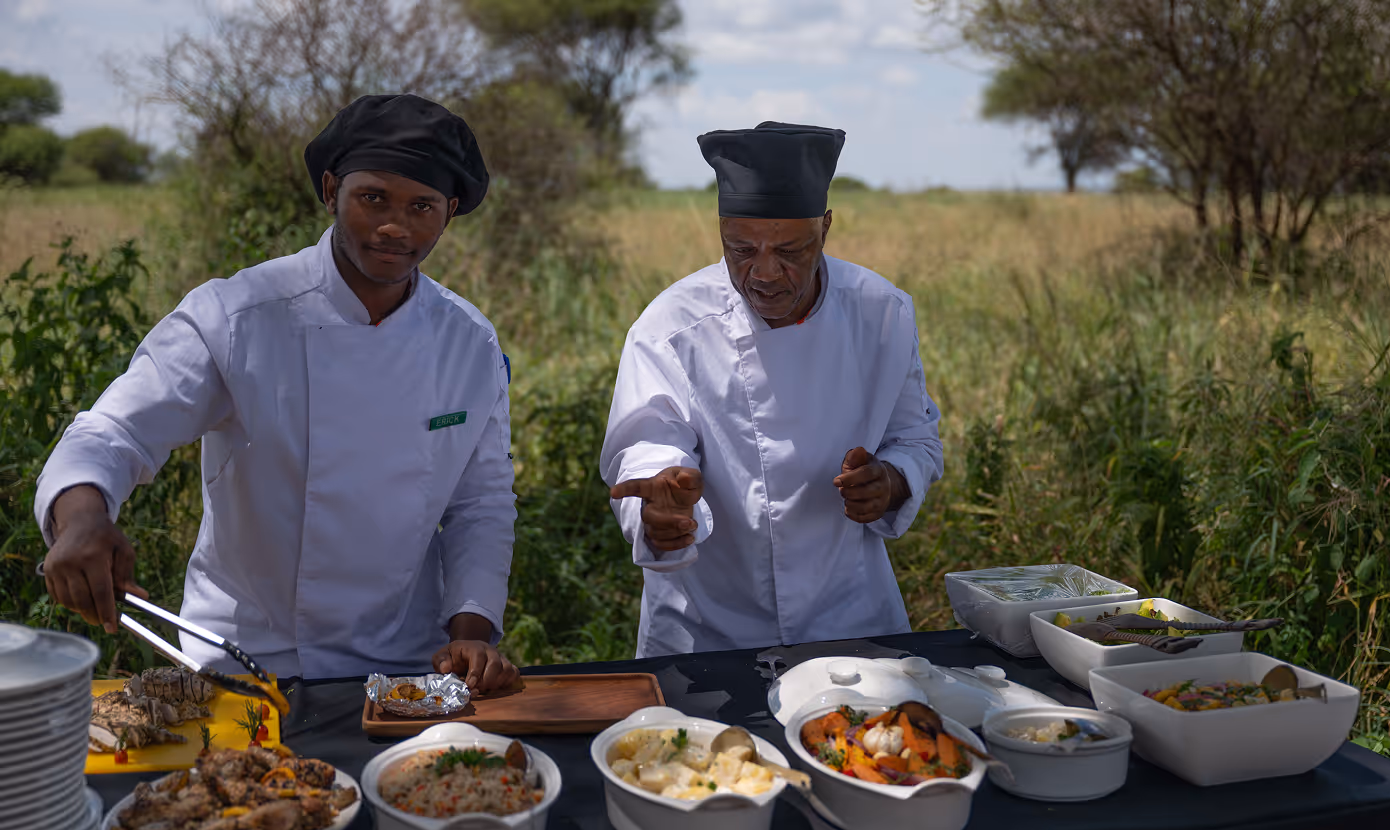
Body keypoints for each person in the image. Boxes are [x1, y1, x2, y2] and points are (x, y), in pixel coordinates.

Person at [36, 94, 519, 690]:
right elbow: (116, 431)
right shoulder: (237, 317)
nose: (396, 226)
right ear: (330, 190)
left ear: (449, 211)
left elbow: (482, 504)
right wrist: (82, 518)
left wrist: (470, 633)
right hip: (243, 660)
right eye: (373, 199)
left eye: (422, 206)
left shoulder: (468, 341)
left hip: (404, 665)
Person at [601, 121, 943, 657]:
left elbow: (916, 438)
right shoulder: (670, 327)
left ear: (825, 228)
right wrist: (661, 506)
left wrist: (893, 482)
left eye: (790, 250)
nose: (764, 273)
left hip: (850, 617)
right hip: (708, 632)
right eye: (741, 249)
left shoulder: (882, 313)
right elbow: (648, 447)